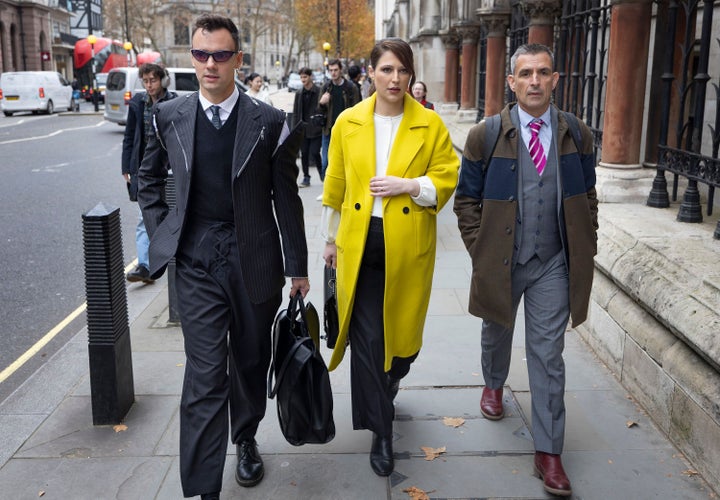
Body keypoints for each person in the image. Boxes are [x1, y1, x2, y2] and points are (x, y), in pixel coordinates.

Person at [137, 14, 309, 500]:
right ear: (190, 58)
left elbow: (286, 197)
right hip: (195, 259)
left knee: (250, 362)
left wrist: (297, 265)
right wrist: (162, 231)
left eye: (219, 54)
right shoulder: (168, 115)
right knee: (206, 372)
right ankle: (203, 488)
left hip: (253, 256)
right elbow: (147, 179)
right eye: (199, 54)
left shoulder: (269, 122)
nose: (209, 64)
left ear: (238, 58)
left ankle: (246, 438)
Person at [453, 43, 598, 497]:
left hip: (553, 261)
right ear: (511, 83)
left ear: (556, 80)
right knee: (497, 329)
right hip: (501, 258)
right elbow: (466, 200)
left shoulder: (578, 133)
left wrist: (583, 240)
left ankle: (549, 451)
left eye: (543, 73)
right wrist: (480, 249)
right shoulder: (487, 135)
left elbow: (588, 196)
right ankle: (494, 383)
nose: (534, 81)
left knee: (547, 355)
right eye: (526, 74)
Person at [320, 38, 459, 477]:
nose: (394, 79)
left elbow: (446, 178)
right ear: (371, 74)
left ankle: (393, 379)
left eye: (402, 70)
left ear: (411, 75)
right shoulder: (348, 121)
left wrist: (409, 185)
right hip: (357, 242)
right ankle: (381, 432)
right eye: (385, 70)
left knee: (400, 345)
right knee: (365, 341)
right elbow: (335, 183)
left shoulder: (430, 125)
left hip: (407, 244)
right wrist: (328, 241)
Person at [122, 63, 177, 283]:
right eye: (145, 81)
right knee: (144, 216)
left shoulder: (173, 102)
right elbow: (129, 136)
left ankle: (169, 257)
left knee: (172, 212)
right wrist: (126, 166)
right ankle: (145, 265)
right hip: (145, 168)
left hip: (170, 167)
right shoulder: (137, 103)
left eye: (153, 80)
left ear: (163, 80)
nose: (149, 85)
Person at [318, 59, 361, 181]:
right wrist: (322, 103)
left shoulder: (350, 87)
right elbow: (318, 110)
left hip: (346, 130)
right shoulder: (326, 87)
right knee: (326, 162)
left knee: (346, 161)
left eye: (336, 70)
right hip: (328, 129)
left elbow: (357, 108)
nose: (333, 73)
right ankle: (327, 188)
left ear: (341, 70)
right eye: (331, 70)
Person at [292, 66, 322, 187]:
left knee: (315, 152)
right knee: (304, 153)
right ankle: (306, 177)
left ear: (310, 77)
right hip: (303, 129)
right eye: (301, 77)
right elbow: (295, 112)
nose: (303, 79)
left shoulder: (319, 91)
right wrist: (295, 128)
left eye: (305, 77)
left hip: (316, 128)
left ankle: (322, 172)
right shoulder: (299, 93)